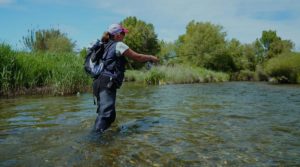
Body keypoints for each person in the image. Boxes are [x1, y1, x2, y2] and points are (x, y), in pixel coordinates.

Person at [93, 23, 159, 133]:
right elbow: (137, 57)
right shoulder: (119, 45)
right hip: (107, 83)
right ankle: (94, 141)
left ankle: (106, 136)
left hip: (98, 82)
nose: (124, 35)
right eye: (123, 33)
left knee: (110, 114)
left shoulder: (104, 45)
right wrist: (151, 57)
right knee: (106, 115)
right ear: (117, 35)